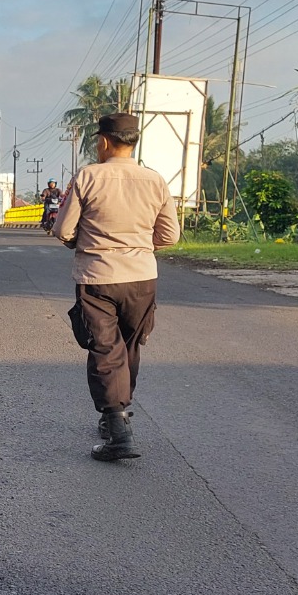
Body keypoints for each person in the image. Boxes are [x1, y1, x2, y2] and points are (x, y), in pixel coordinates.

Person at [51, 113, 180, 461]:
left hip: (98, 276)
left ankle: (118, 429)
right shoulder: (155, 180)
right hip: (142, 276)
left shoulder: (88, 176)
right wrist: (139, 246)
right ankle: (116, 415)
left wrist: (86, 241)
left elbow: (63, 230)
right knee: (129, 346)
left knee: (105, 349)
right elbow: (170, 235)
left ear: (104, 142)